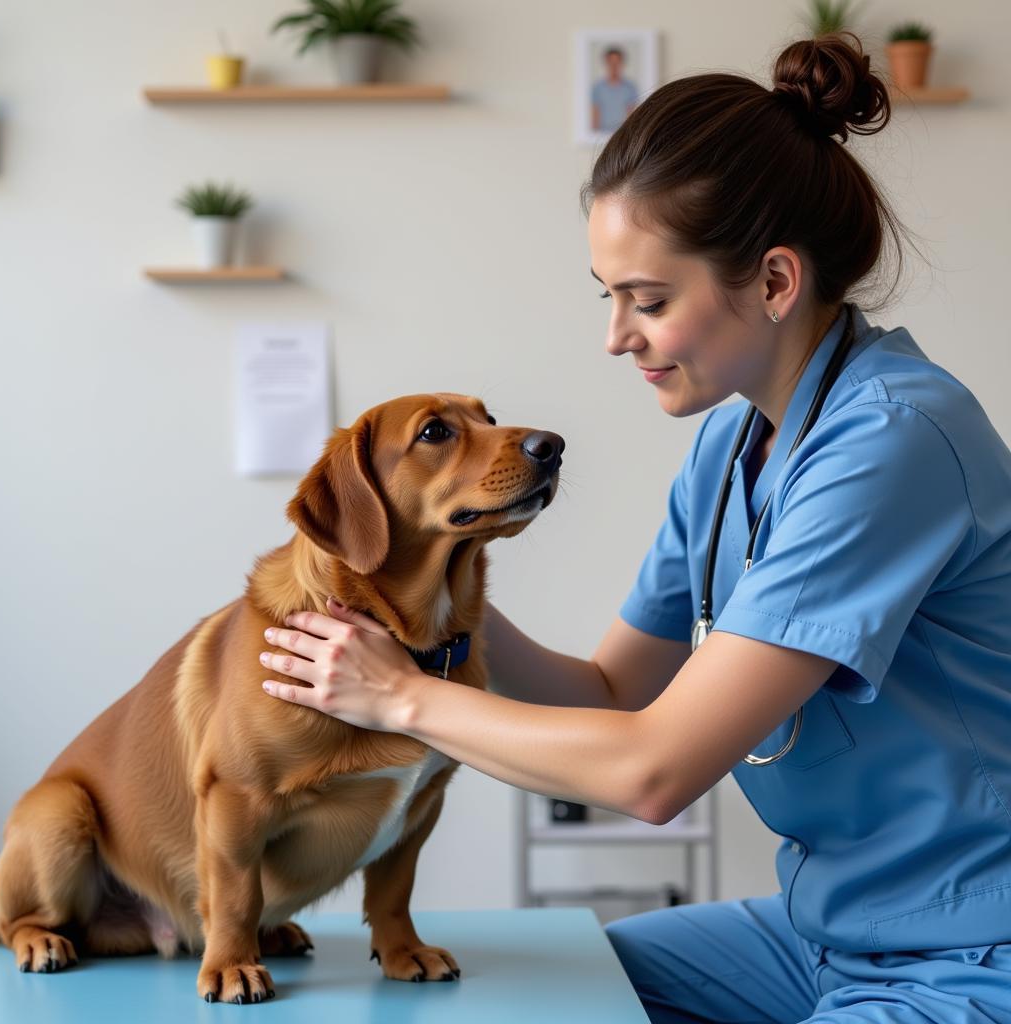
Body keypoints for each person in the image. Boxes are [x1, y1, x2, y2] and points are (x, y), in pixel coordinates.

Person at [258, 32, 1011, 1024]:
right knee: (556, 997)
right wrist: (426, 604)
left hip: (968, 949)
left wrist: (402, 698)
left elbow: (652, 770)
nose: (616, 336)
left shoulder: (891, 443)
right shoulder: (730, 447)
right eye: (608, 297)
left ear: (776, 282)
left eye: (646, 301)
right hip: (825, 928)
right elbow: (611, 693)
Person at [591, 45, 639, 134]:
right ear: (606, 63)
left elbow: (631, 114)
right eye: (611, 63)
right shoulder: (597, 88)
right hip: (602, 134)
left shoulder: (630, 88)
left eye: (617, 63)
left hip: (622, 133)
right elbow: (595, 114)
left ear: (622, 64)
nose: (614, 66)